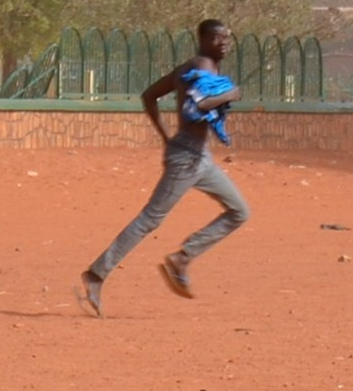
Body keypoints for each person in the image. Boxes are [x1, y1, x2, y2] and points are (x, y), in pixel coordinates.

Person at [79, 18, 249, 312]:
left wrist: (165, 136)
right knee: (150, 219)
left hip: (200, 158)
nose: (224, 43)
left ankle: (181, 258)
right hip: (186, 159)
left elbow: (149, 95)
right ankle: (96, 274)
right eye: (217, 38)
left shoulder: (191, 67)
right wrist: (230, 94)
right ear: (203, 40)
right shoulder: (201, 65)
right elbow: (200, 105)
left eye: (227, 38)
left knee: (239, 211)